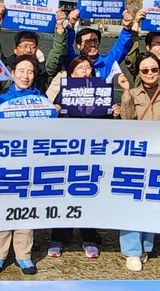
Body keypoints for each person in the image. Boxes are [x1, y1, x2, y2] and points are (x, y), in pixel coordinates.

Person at [0, 55, 50, 276]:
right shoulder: (0, 101)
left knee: (26, 210)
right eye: (21, 71)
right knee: (2, 208)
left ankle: (24, 255)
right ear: (12, 73)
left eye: (30, 72)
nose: (26, 76)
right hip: (5, 164)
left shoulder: (42, 100)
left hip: (32, 164)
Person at [45, 55, 117, 258]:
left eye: (88, 68)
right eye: (80, 69)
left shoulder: (103, 91)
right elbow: (51, 124)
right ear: (71, 74)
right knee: (63, 193)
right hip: (67, 153)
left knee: (89, 193)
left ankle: (89, 237)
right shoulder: (64, 92)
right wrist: (54, 111)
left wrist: (115, 111)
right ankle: (58, 236)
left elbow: (110, 122)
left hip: (93, 152)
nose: (85, 72)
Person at [117, 52, 160, 271]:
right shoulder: (132, 94)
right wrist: (125, 93)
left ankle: (146, 244)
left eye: (154, 69)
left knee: (152, 200)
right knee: (132, 202)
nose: (150, 73)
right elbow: (125, 121)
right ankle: (131, 250)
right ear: (139, 73)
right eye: (145, 70)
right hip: (136, 155)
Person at [0, 2, 68, 91]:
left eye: (32, 46)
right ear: (15, 49)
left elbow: (58, 53)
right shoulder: (5, 68)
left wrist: (59, 26)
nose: (28, 50)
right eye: (24, 46)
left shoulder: (43, 70)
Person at [64, 8, 135, 78]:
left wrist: (126, 28)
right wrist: (70, 24)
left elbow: (120, 47)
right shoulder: (73, 61)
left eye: (95, 41)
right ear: (78, 46)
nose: (92, 44)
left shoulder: (106, 62)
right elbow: (66, 45)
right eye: (88, 42)